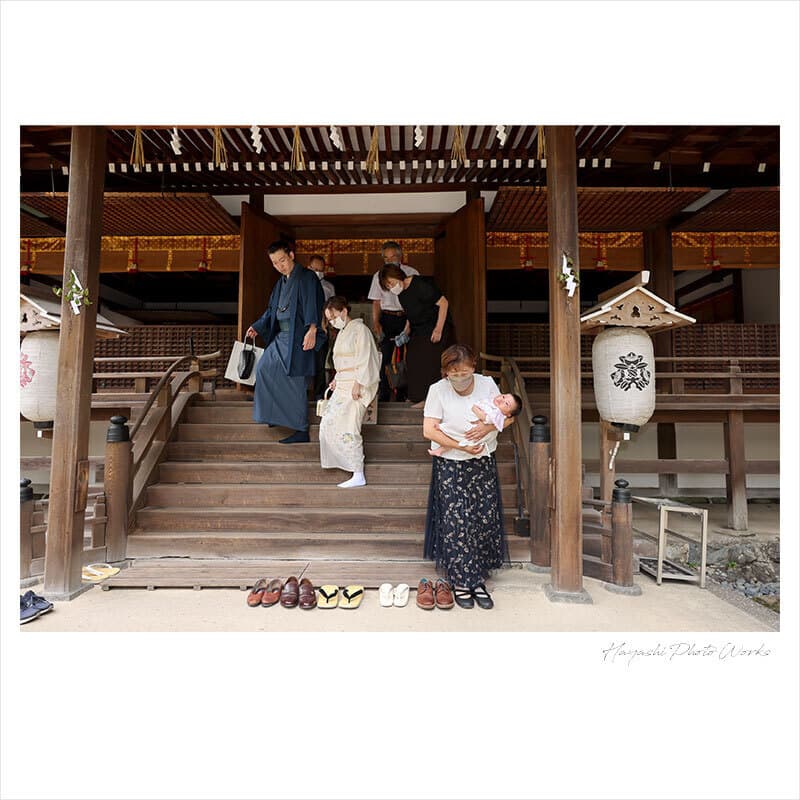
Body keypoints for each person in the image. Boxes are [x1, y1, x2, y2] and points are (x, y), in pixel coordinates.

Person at [422, 344, 515, 609]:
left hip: (483, 461)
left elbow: (508, 417)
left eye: (464, 372)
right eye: (454, 373)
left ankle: (477, 578)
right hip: (451, 463)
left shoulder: (487, 384)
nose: (459, 377)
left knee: (482, 517)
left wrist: (487, 427)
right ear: (445, 371)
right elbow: (429, 430)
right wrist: (460, 446)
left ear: (473, 367)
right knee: (457, 521)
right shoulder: (437, 390)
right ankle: (463, 582)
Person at [246, 240, 325, 444]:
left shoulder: (307, 277)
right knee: (264, 369)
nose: (279, 266)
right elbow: (271, 310)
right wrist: (257, 326)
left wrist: (312, 330)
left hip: (299, 336)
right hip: (281, 336)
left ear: (291, 255)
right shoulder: (280, 283)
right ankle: (273, 415)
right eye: (274, 263)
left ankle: (301, 429)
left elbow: (313, 304)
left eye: (282, 260)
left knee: (295, 381)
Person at [318, 296, 381, 488]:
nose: (332, 322)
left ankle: (358, 472)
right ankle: (345, 464)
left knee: (350, 427)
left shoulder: (360, 330)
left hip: (356, 384)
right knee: (327, 424)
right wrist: (336, 379)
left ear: (344, 311)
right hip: (343, 384)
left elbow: (366, 358)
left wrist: (358, 383)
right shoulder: (343, 332)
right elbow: (341, 363)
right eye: (329, 319)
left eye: (334, 317)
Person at [378, 263, 454, 407]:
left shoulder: (419, 285)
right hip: (419, 328)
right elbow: (410, 314)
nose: (392, 288)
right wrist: (405, 331)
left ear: (397, 275)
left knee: (429, 360)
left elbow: (444, 303)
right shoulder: (401, 294)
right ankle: (417, 396)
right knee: (412, 358)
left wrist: (438, 329)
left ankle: (430, 400)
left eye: (391, 283)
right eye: (388, 287)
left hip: (435, 326)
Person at [368, 241, 418, 402]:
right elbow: (376, 302)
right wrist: (376, 324)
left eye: (394, 257)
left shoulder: (411, 272)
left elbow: (416, 301)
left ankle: (405, 395)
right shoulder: (378, 276)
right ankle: (384, 395)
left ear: (400, 256)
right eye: (386, 258)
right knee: (386, 357)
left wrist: (409, 324)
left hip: (407, 316)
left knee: (408, 356)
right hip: (387, 318)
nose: (390, 261)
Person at [428, 392, 522, 457]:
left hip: (473, 430)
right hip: (472, 427)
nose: (502, 400)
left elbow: (486, 418)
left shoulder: (498, 414)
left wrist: (475, 409)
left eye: (506, 403)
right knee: (459, 437)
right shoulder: (492, 402)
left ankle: (443, 429)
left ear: (508, 414)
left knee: (459, 433)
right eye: (504, 396)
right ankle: (440, 448)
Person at [307, 254, 336, 400]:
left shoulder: (328, 287)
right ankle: (304, 392)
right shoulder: (302, 284)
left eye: (321, 270)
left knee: (320, 362)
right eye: (315, 269)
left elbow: (332, 309)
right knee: (304, 361)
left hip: (322, 328)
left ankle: (319, 393)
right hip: (305, 328)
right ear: (309, 268)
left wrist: (330, 327)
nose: (318, 272)